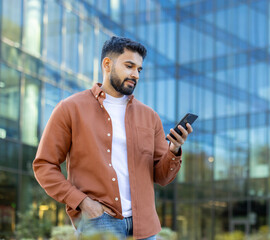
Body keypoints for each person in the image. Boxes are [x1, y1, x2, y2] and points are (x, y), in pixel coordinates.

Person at [33, 36, 193, 240]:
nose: (135, 74)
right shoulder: (70, 108)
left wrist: (173, 150)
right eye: (129, 66)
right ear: (107, 64)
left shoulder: (149, 116)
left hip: (145, 225)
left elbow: (161, 177)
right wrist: (82, 202)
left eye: (139, 69)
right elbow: (44, 165)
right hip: (99, 222)